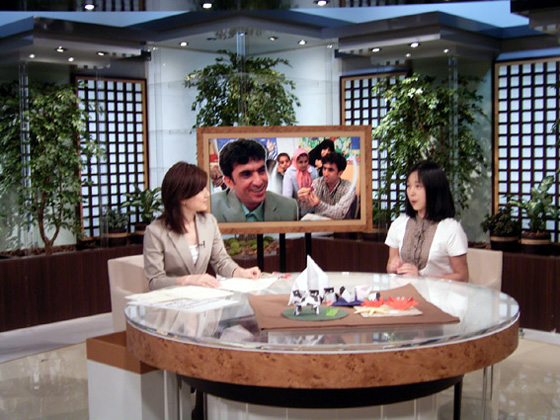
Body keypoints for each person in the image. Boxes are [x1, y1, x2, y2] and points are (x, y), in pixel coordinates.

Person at [144, 162, 261, 290]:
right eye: (201, 190)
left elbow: (221, 262)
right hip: (171, 298)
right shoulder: (155, 232)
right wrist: (187, 280)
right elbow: (155, 281)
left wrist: (241, 273)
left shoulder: (209, 222)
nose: (207, 194)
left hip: (203, 296)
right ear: (182, 197)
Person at [385, 161, 469, 282]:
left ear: (433, 189)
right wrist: (392, 267)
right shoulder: (399, 224)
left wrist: (422, 279)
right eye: (408, 186)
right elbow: (390, 267)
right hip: (404, 292)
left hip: (440, 293)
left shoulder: (451, 229)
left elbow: (462, 277)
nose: (411, 192)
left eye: (418, 186)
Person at [211, 139, 298, 222]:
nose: (259, 182)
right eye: (246, 174)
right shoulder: (211, 209)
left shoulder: (288, 208)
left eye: (261, 170)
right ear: (229, 182)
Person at [297, 152, 356, 220]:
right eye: (324, 168)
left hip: (339, 224)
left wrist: (319, 203)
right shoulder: (318, 183)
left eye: (330, 170)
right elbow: (308, 208)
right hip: (319, 222)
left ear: (340, 173)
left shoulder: (348, 188)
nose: (325, 174)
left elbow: (339, 214)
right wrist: (304, 200)